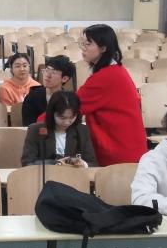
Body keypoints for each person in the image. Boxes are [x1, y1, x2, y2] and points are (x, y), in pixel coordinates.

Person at [76, 24, 148, 166]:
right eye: (82, 43)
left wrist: (35, 125)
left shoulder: (106, 77)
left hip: (119, 152)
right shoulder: (117, 70)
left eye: (88, 44)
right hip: (130, 148)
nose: (83, 48)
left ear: (103, 48)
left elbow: (70, 106)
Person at [20, 91, 97, 167]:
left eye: (71, 117)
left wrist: (84, 164)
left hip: (74, 174)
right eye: (62, 118)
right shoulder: (36, 130)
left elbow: (92, 163)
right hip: (46, 174)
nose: (66, 122)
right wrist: (56, 163)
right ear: (52, 113)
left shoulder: (82, 130)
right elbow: (27, 163)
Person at [21, 54, 76, 126]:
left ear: (64, 79)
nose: (47, 75)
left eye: (53, 72)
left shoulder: (70, 100)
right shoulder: (32, 97)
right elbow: (30, 127)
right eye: (46, 70)